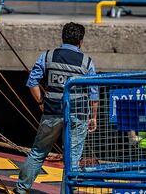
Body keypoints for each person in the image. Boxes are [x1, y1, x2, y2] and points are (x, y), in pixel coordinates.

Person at [13, 22, 99, 194]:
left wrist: (40, 103)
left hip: (51, 113)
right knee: (72, 160)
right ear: (80, 41)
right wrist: (93, 117)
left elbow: (32, 82)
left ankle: (21, 190)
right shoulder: (87, 62)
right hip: (77, 114)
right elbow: (93, 93)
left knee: (38, 152)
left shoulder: (48, 56)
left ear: (62, 37)